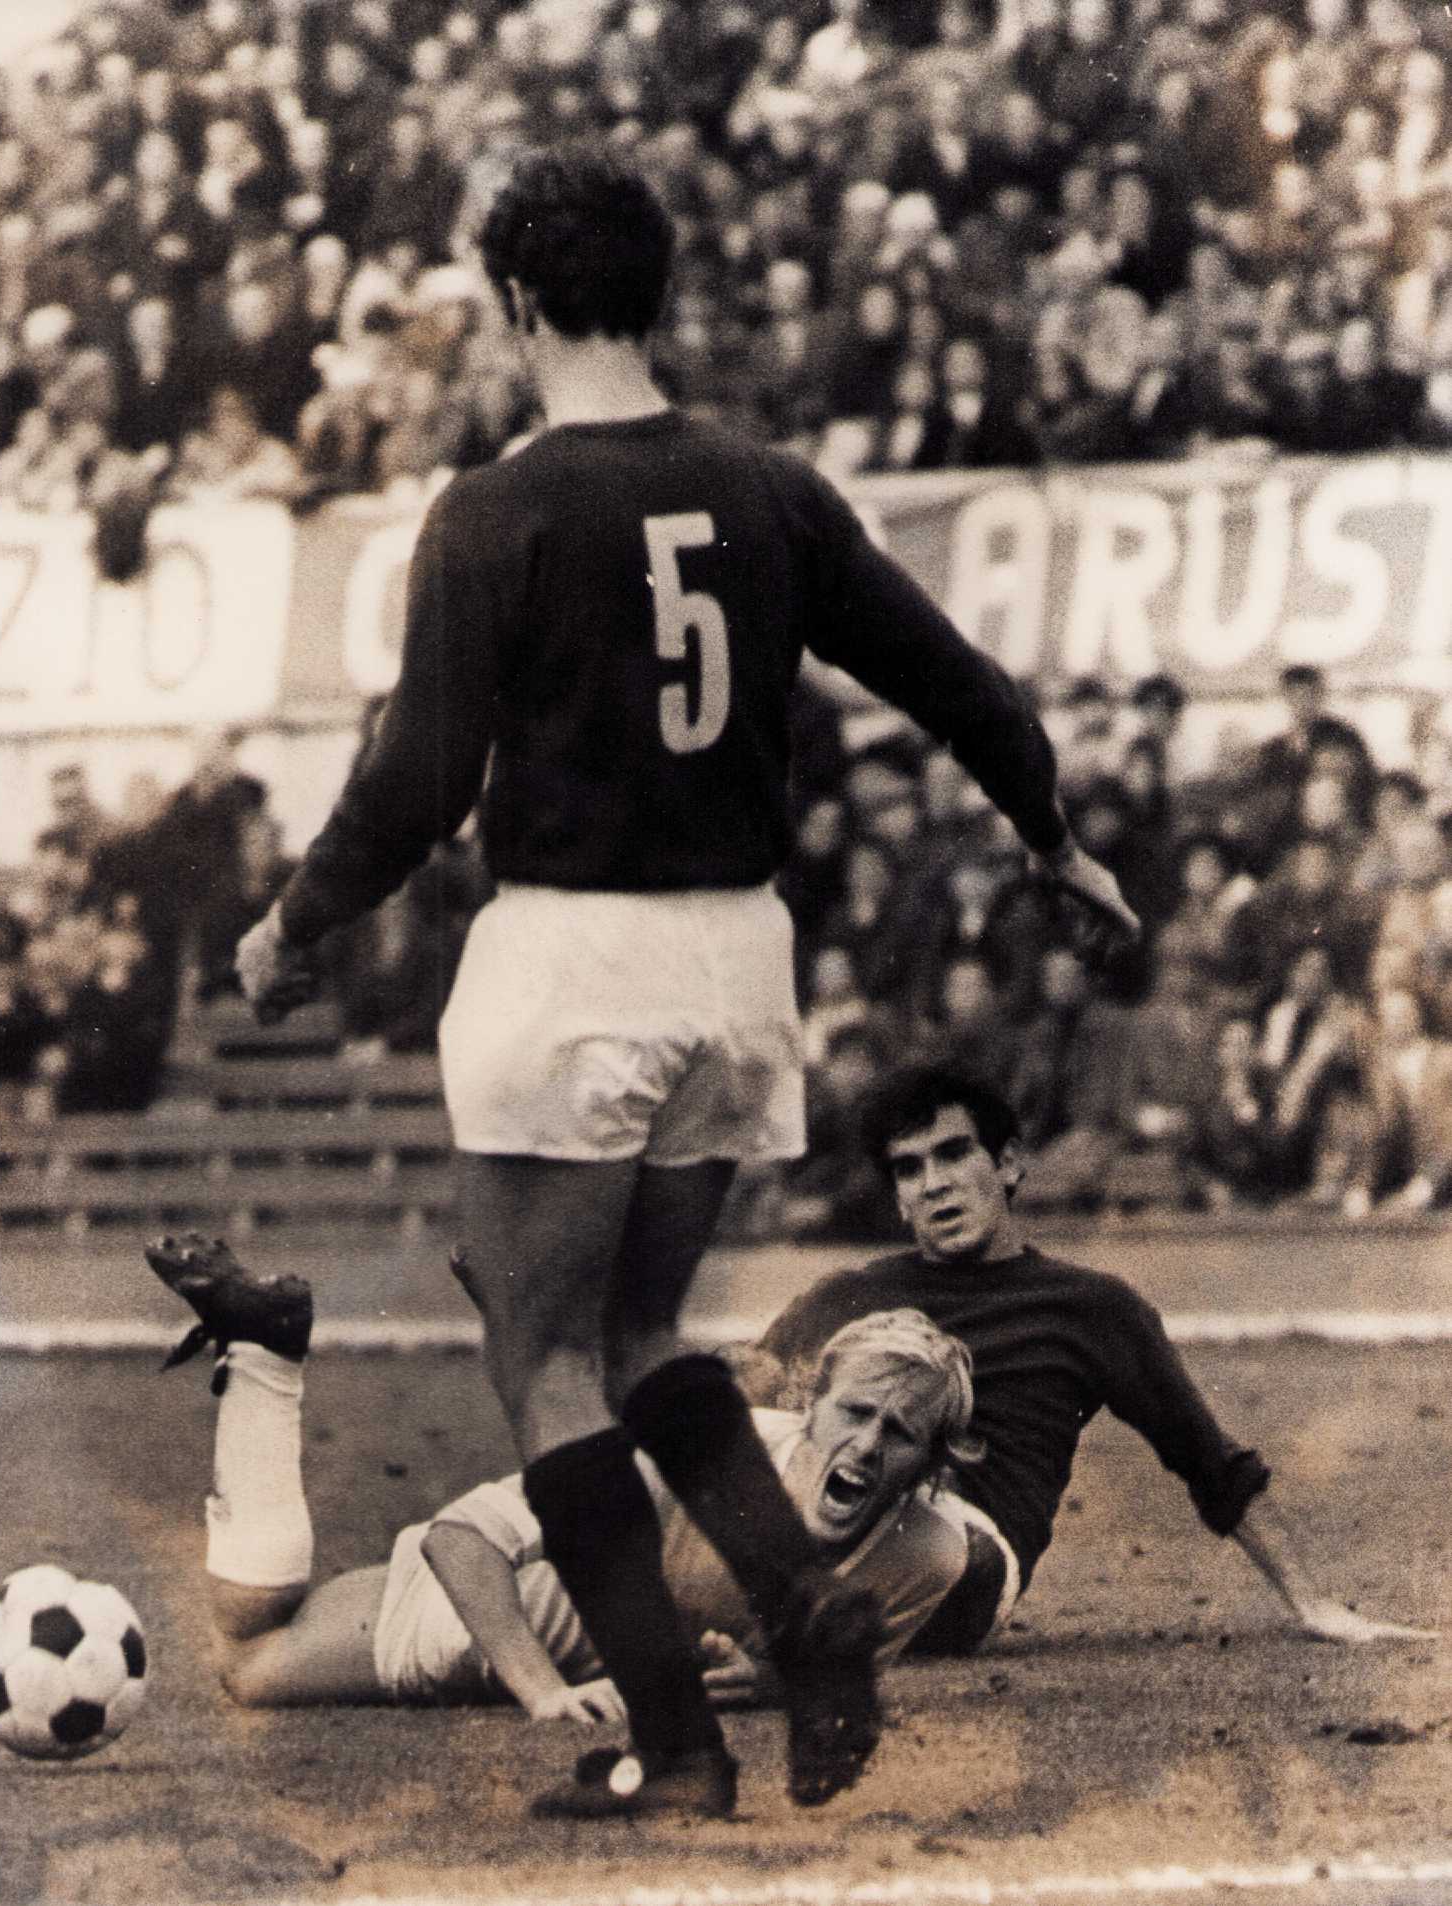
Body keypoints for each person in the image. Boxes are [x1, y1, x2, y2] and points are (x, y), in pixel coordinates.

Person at [233, 143, 1139, 1820]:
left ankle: (680, 1741)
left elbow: (419, 778)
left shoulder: (495, 510)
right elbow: (960, 680)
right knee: (643, 1329)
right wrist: (1053, 840)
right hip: (737, 962)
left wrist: (295, 926)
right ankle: (797, 1606)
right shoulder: (770, 490)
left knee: (542, 1356)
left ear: (519, 302)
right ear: (660, 297)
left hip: (571, 953)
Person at [147, 1233, 991, 1740]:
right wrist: (545, 1693)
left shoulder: (928, 1556)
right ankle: (269, 1360)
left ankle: (275, 1347)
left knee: (273, 1623)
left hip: (555, 1604)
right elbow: (461, 1538)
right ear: (811, 1407)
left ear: (932, 1466)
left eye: (901, 1433)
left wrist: (774, 1679)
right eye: (856, 1413)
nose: (868, 1444)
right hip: (484, 1624)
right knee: (248, 1660)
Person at [753, 1063, 1434, 1656]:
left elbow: (1212, 1463)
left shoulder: (1090, 1308)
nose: (935, 1184)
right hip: (843, 1520)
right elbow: (742, 1411)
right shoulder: (848, 1295)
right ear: (900, 1200)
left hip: (965, 1556)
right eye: (910, 1169)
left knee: (940, 1544)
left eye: (954, 1154)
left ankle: (783, 1635)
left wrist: (1313, 1604)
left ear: (1009, 1165)